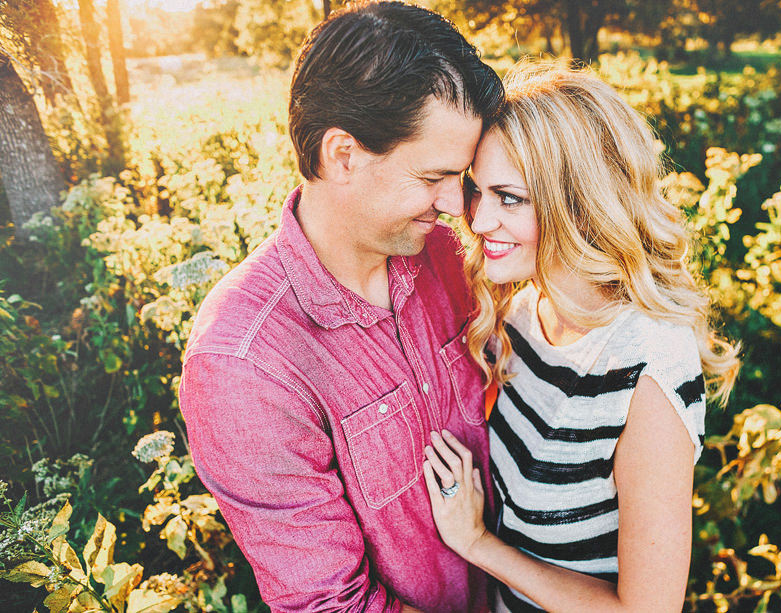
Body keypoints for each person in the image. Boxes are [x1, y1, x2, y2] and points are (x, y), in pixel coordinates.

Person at [178, 3, 502, 612]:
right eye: (432, 177)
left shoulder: (445, 255)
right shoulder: (244, 364)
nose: (457, 206)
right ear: (342, 154)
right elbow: (332, 606)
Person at [421, 63, 740, 612]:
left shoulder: (647, 369)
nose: (479, 220)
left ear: (578, 201)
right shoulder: (523, 312)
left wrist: (477, 544)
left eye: (509, 197)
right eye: (478, 191)